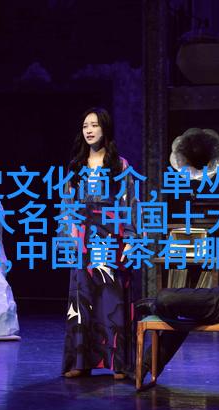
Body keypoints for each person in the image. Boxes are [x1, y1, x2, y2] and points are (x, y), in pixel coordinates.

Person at [61, 107, 138, 380]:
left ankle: (118, 363)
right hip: (82, 237)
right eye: (85, 126)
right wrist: (67, 236)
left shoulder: (119, 165)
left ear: (105, 128)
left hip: (110, 236)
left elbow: (130, 203)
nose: (89, 130)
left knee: (110, 298)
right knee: (81, 298)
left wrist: (131, 237)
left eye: (94, 125)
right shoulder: (75, 166)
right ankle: (80, 363)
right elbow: (67, 204)